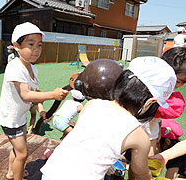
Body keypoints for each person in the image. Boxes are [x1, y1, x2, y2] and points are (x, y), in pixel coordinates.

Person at [40, 56, 176, 180]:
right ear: (149, 103)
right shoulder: (139, 136)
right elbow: (139, 173)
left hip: (51, 172)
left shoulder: (92, 104)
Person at [0, 22, 68, 180]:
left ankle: (11, 173)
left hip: (19, 116)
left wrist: (41, 110)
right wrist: (53, 95)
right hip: (10, 118)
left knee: (17, 149)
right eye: (31, 44)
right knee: (22, 153)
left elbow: (35, 93)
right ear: (16, 46)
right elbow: (26, 95)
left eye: (39, 45)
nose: (36, 49)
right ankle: (17, 176)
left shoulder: (33, 68)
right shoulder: (15, 67)